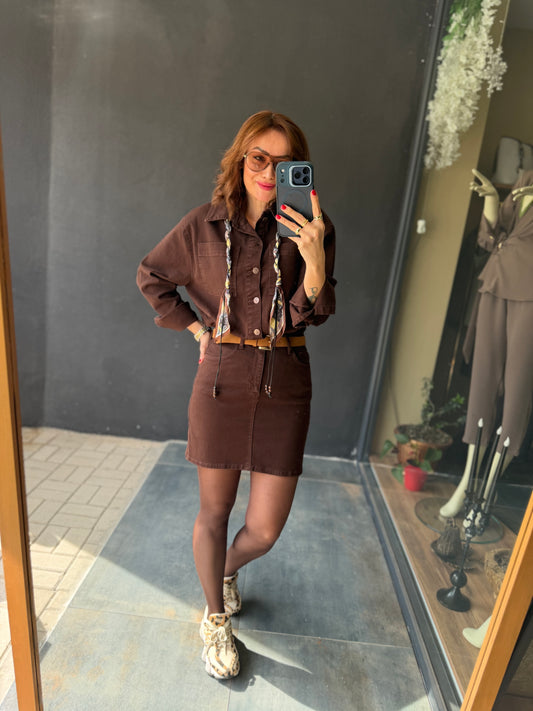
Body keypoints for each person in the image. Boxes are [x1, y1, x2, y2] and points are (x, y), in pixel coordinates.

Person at [137, 111, 336, 679]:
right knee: (214, 511)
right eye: (259, 158)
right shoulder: (202, 225)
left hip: (286, 376)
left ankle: (221, 570)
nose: (269, 172)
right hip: (222, 376)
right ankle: (215, 616)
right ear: (241, 160)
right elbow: (152, 276)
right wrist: (197, 330)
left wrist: (315, 256)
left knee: (265, 530)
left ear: (300, 169)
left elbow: (317, 310)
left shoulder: (314, 226)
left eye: (284, 163)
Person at [440, 168, 533, 519]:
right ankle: (466, 484)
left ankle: (486, 493)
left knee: (517, 393)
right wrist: (493, 199)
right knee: (482, 384)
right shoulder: (526, 179)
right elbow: (491, 239)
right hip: (495, 285)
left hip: (529, 296)